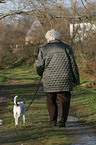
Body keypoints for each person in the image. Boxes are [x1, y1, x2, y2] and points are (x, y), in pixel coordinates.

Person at [36, 29, 80, 127]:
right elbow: (73, 65)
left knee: (50, 99)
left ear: (48, 39)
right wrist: (76, 79)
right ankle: (63, 120)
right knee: (64, 99)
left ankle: (52, 121)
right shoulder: (67, 48)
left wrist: (40, 73)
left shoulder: (43, 49)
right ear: (58, 38)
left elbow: (39, 65)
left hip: (49, 79)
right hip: (65, 78)